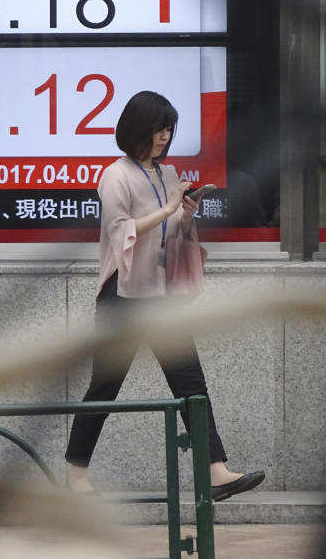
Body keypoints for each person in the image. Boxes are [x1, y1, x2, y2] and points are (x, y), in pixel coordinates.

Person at [65, 90, 265, 501]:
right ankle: (75, 475)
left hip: (160, 295)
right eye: (159, 127)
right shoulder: (114, 175)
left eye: (169, 128)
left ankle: (217, 470)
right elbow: (123, 231)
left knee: (191, 383)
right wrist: (170, 206)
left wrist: (185, 212)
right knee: (105, 386)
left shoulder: (167, 174)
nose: (165, 136)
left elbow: (169, 233)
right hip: (122, 295)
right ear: (138, 127)